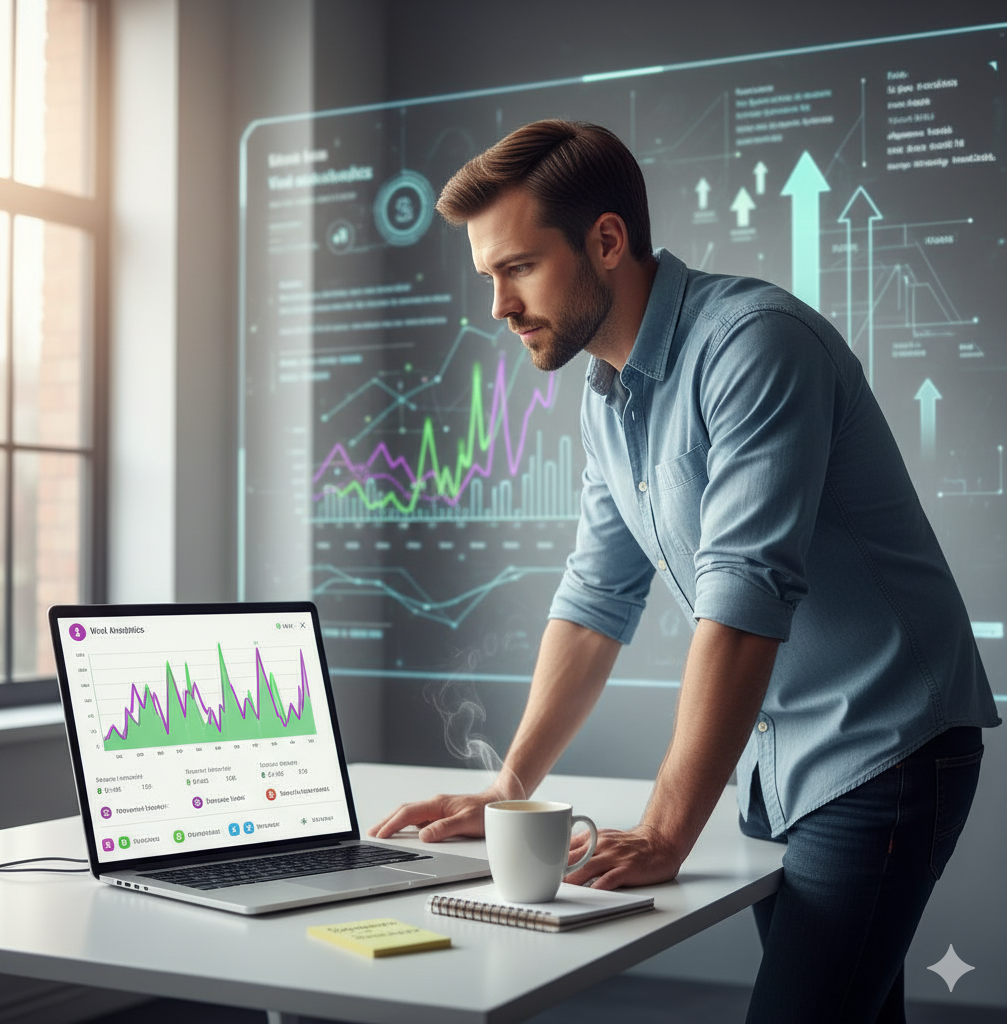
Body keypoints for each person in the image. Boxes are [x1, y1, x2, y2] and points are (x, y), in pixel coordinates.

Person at [368, 120, 1000, 1022]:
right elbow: (594, 602)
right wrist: (511, 789)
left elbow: (743, 602)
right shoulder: (609, 396)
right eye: (488, 278)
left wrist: (668, 827)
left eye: (518, 268)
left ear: (608, 240)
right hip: (785, 756)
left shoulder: (755, 346)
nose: (499, 306)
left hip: (883, 748)